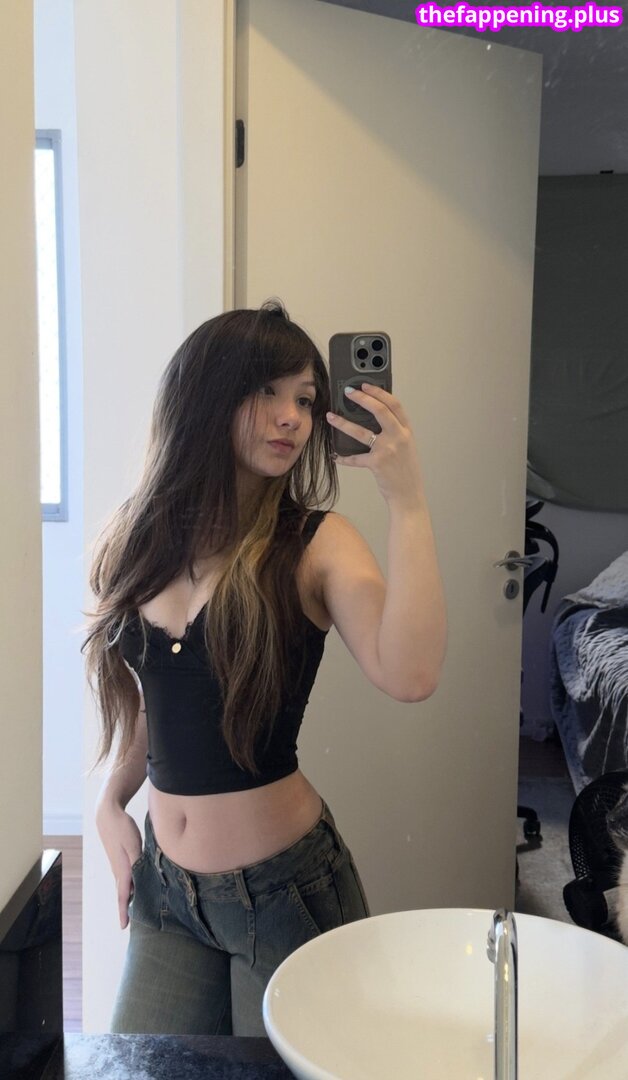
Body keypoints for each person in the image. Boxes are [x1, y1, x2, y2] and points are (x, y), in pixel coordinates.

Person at [82, 300, 446, 1037]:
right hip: (167, 892)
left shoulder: (316, 543)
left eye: (306, 400)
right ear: (204, 397)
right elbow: (160, 702)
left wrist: (406, 501)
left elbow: (410, 674)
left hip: (283, 894)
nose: (292, 418)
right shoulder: (139, 540)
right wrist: (110, 801)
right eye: (266, 391)